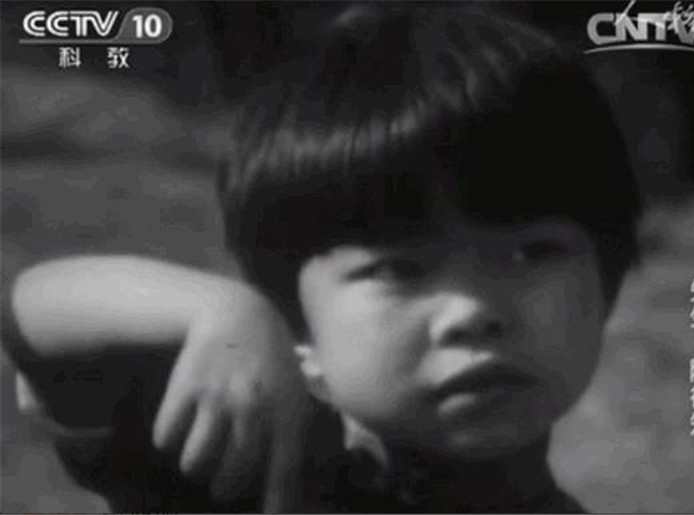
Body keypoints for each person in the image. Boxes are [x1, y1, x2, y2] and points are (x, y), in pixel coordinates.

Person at [4, 3, 641, 512]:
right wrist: (227, 313)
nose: (474, 312)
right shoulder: (252, 459)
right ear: (300, 331)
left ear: (604, 290)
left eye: (532, 252)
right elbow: (32, 314)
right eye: (400, 270)